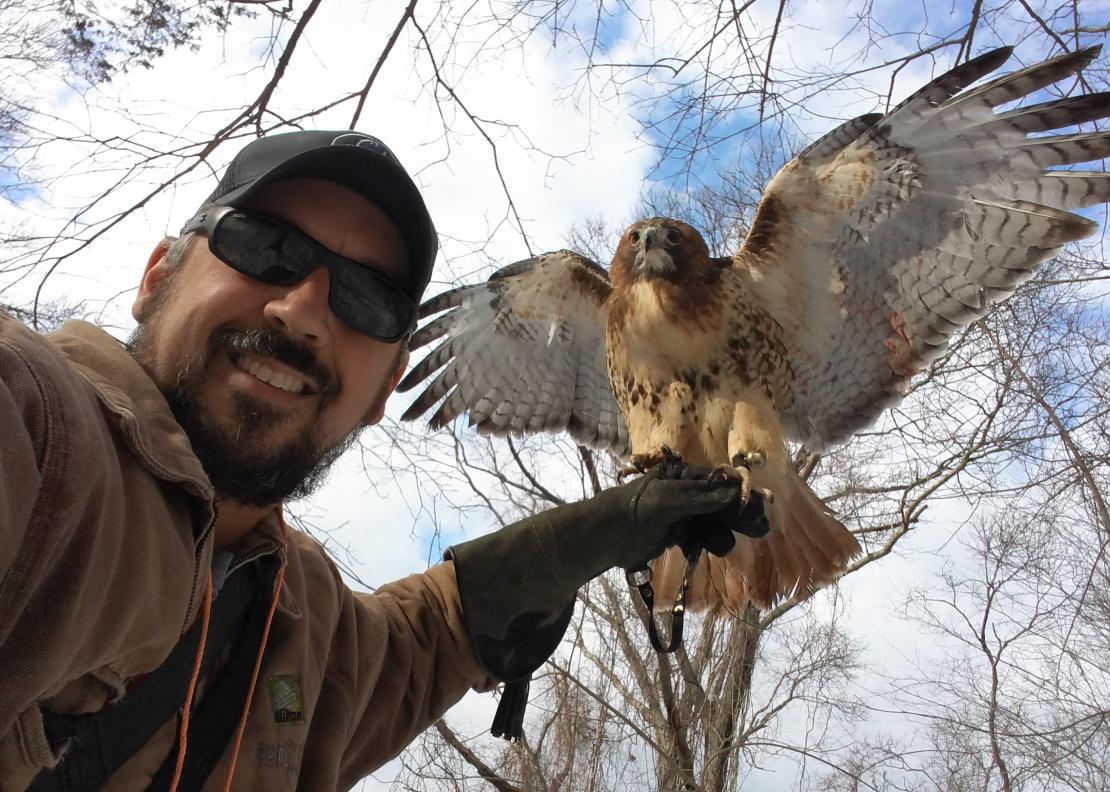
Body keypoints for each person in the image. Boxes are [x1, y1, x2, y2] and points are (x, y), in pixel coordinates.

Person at [0, 130, 768, 791]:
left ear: (382, 391)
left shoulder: (295, 613)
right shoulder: (42, 434)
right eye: (263, 248)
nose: (301, 312)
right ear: (158, 276)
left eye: (367, 302)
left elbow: (414, 643)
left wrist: (569, 547)